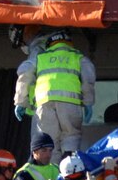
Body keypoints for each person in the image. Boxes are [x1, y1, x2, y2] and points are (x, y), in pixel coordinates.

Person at [14, 28, 96, 164]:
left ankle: (52, 179)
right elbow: (88, 78)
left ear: (50, 43)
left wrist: (20, 101)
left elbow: (25, 72)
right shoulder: (78, 57)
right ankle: (69, 175)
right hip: (71, 104)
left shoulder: (41, 57)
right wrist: (88, 102)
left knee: (48, 144)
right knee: (71, 138)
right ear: (69, 43)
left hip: (44, 104)